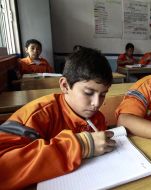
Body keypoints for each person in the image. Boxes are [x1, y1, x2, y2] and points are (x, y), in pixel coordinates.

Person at [0, 47, 116, 189]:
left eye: (103, 94)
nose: (97, 103)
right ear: (65, 85)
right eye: (88, 92)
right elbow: (4, 168)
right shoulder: (36, 116)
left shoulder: (97, 118)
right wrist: (82, 145)